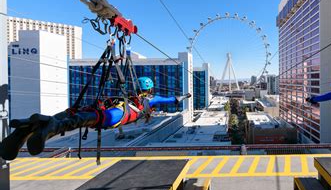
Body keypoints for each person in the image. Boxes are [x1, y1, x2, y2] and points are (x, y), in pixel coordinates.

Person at [0, 77, 191, 160]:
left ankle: (33, 126)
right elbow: (170, 99)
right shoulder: (150, 99)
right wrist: (184, 97)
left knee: (79, 114)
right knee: (93, 119)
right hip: (120, 115)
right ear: (149, 89)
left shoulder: (126, 93)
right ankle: (50, 127)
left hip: (115, 107)